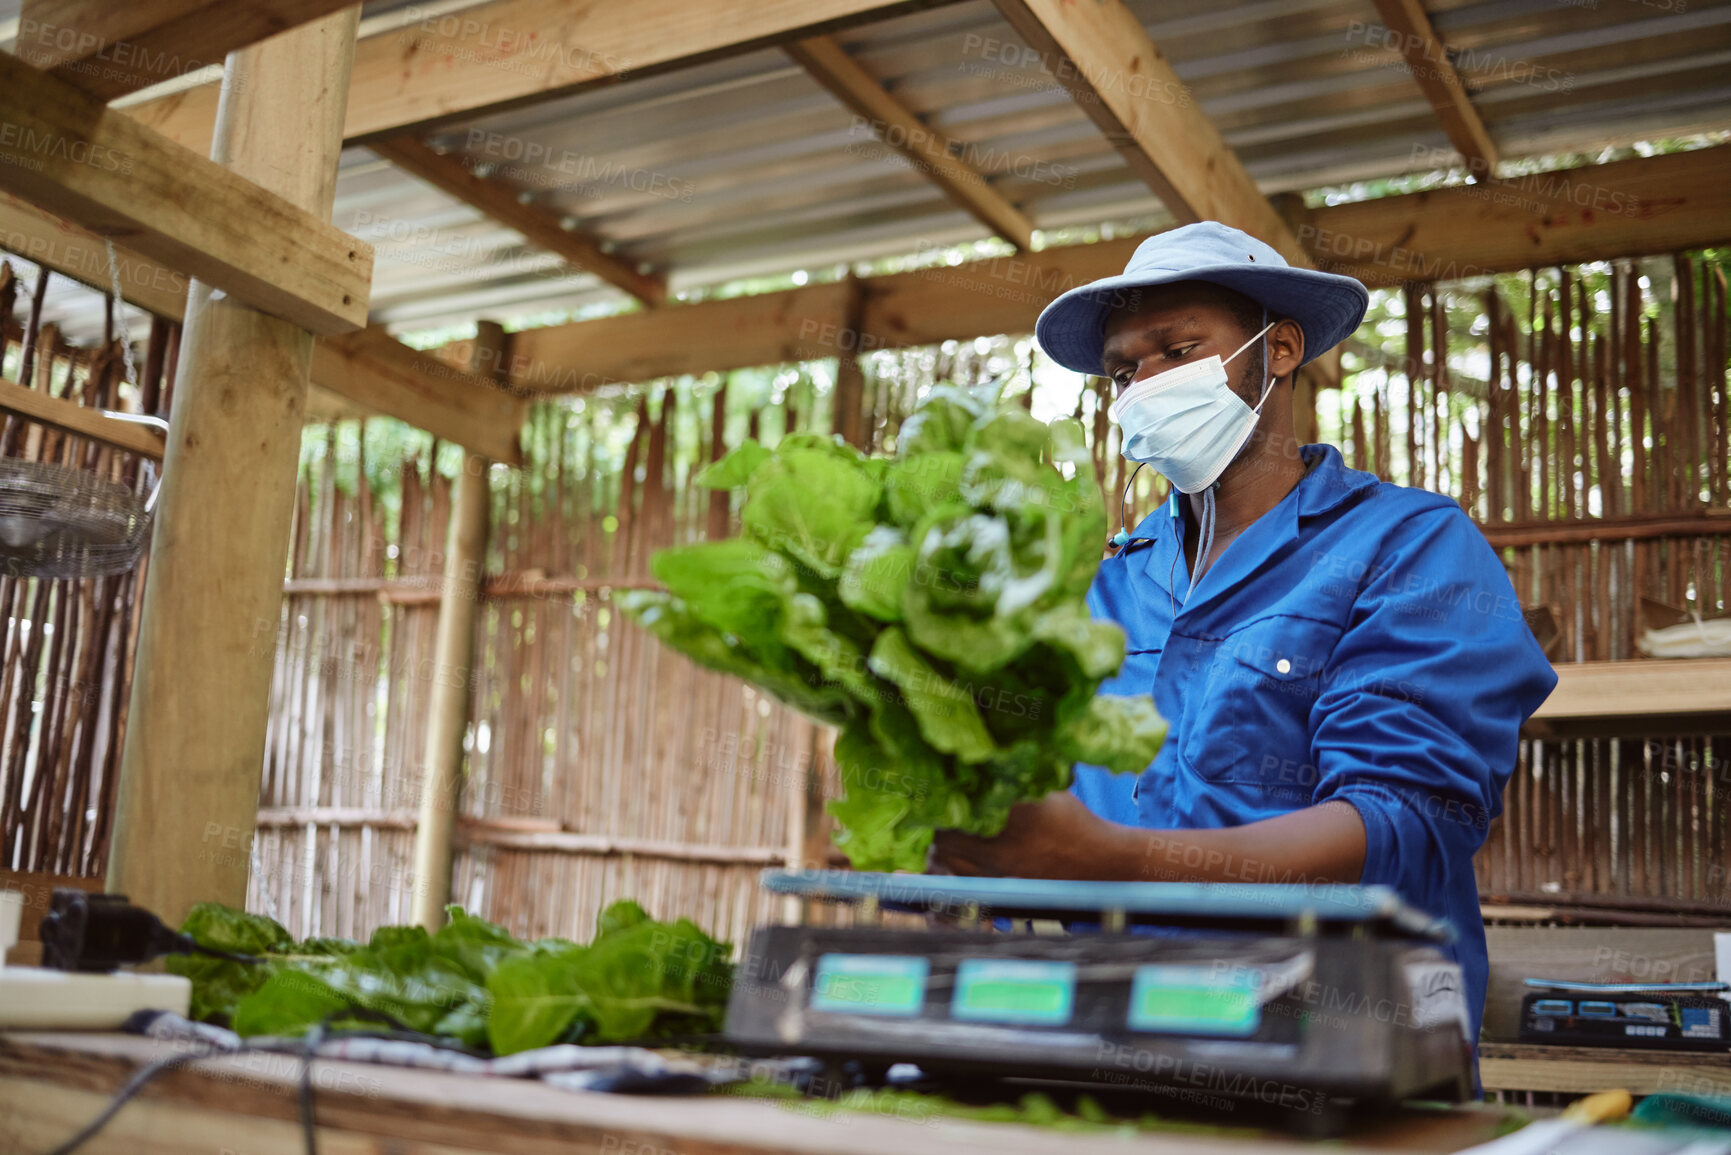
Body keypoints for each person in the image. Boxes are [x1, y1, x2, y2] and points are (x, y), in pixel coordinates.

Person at [930, 221, 1557, 1045]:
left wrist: (1111, 863)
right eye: (1124, 370)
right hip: (1092, 1043)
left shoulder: (1408, 547)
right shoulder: (1095, 581)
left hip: (1331, 1049)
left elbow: (1403, 822)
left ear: (1281, 348)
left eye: (1179, 350)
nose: (1147, 383)